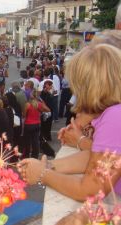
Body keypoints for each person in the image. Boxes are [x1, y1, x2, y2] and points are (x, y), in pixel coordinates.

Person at [18, 44, 121, 205]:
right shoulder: (113, 113)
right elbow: (95, 156)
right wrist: (51, 165)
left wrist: (43, 174)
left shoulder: (115, 117)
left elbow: (90, 190)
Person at [22, 89, 50, 159]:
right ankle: (35, 156)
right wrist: (42, 103)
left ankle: (26, 156)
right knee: (35, 141)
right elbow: (48, 109)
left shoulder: (27, 105)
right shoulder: (39, 104)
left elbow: (24, 115)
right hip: (37, 124)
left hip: (28, 125)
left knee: (27, 142)